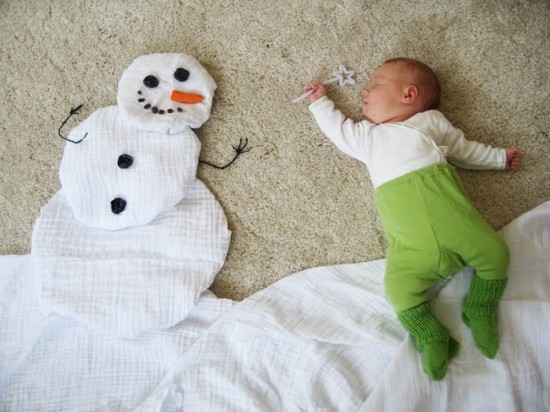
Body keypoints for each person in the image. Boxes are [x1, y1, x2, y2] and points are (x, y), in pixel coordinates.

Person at [302, 57, 522, 381]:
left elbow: (464, 150)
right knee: (398, 289)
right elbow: (339, 130)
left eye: (375, 84)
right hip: (410, 246)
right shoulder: (368, 137)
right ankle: (431, 334)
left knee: (497, 253)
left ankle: (480, 305)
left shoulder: (431, 123)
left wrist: (498, 158)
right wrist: (320, 103)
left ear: (408, 94)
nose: (364, 91)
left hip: (459, 227)